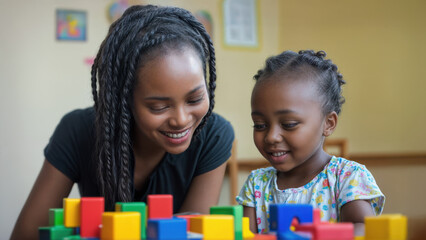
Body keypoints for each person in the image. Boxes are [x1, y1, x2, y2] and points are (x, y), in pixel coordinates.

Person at [11, 5, 234, 239]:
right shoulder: (78, 131)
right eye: (159, 106)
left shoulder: (214, 135)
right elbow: (25, 235)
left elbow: (192, 233)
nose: (181, 119)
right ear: (124, 99)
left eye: (195, 98)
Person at [236, 50, 384, 236]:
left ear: (328, 124)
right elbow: (243, 235)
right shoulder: (257, 184)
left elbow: (364, 229)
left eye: (289, 124)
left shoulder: (347, 177)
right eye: (260, 125)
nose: (271, 136)